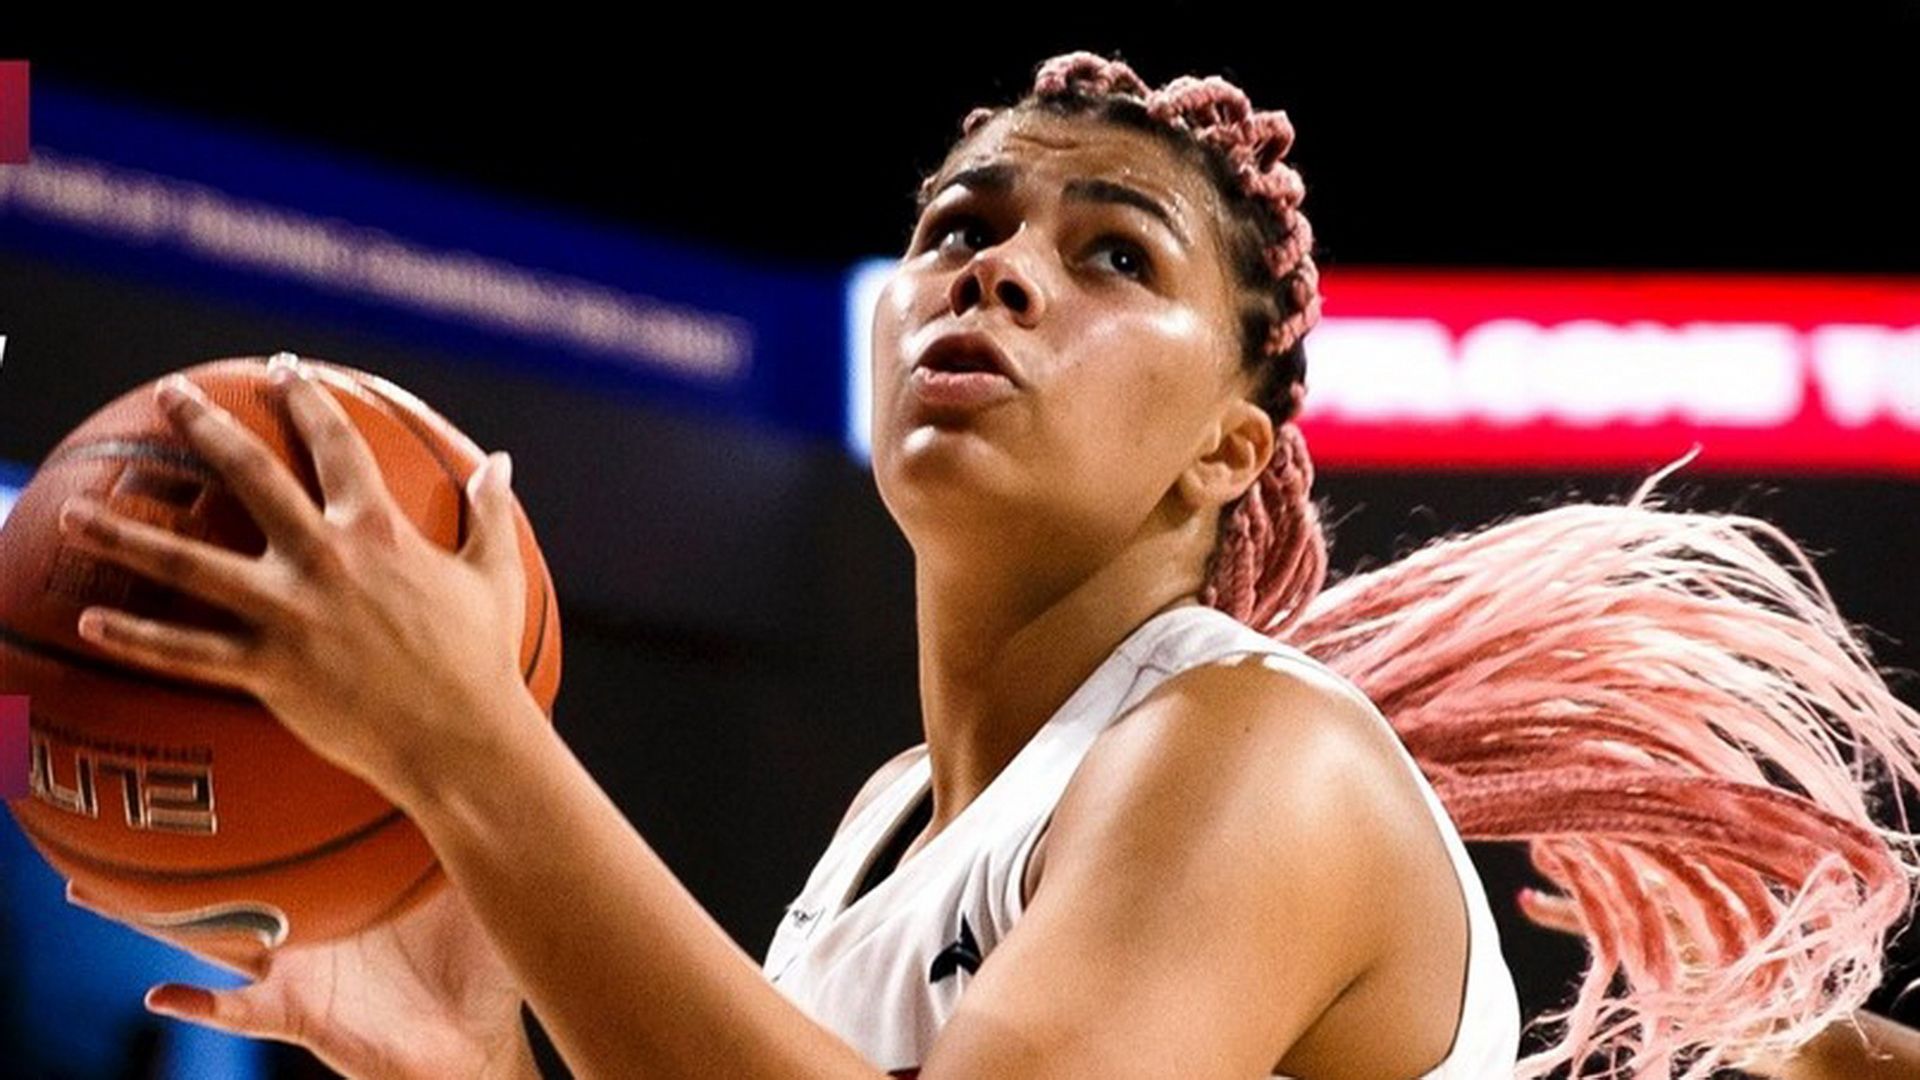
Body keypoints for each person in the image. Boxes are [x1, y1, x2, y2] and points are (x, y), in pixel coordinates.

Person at [45, 50, 1920, 1079]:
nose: (997, 271)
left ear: (1229, 451)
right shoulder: (890, 824)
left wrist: (472, 748)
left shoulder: (1259, 755)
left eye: (1115, 255)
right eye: (961, 228)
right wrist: (464, 1067)